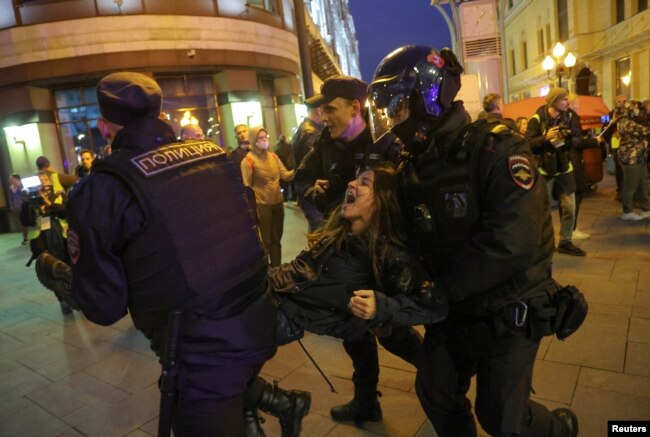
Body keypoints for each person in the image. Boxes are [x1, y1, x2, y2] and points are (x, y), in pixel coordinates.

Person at [34, 72, 309, 437]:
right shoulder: (215, 154)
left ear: (104, 128)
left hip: (202, 350)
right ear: (160, 114)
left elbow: (105, 305)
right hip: (260, 319)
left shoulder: (102, 190)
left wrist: (64, 278)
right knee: (235, 390)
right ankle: (282, 405)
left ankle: (271, 408)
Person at [367, 45, 579, 437]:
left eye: (398, 107)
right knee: (436, 390)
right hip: (455, 307)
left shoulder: (497, 149)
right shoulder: (413, 168)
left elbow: (513, 239)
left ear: (428, 96)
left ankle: (557, 428)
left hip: (508, 304)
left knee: (502, 416)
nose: (393, 120)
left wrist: (442, 291)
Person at [295, 75, 422, 424]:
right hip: (347, 250)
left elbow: (408, 198)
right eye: (320, 109)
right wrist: (321, 200)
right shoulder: (325, 141)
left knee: (390, 330)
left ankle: (442, 376)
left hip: (382, 254)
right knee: (354, 331)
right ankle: (366, 401)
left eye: (329, 108)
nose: (323, 116)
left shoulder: (386, 143)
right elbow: (302, 178)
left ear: (354, 107)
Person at [526, 87, 586, 257]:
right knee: (542, 209)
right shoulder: (537, 118)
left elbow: (574, 140)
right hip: (544, 169)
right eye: (564, 99)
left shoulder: (569, 116)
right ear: (554, 101)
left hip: (564, 167)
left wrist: (567, 138)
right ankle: (543, 243)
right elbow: (528, 144)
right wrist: (546, 138)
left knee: (570, 207)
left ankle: (566, 242)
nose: (568, 102)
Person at [241, 127, 295, 266]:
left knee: (276, 239)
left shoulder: (273, 157)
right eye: (260, 138)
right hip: (262, 205)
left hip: (278, 203)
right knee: (266, 241)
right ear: (253, 140)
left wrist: (300, 167)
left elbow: (285, 175)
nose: (264, 140)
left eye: (266, 137)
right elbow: (246, 187)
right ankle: (265, 272)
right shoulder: (248, 161)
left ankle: (277, 270)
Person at [614, 99, 650, 220]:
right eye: (633, 108)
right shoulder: (626, 123)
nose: (636, 111)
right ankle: (627, 211)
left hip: (639, 156)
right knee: (630, 186)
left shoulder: (629, 121)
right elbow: (645, 130)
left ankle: (646, 209)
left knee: (642, 184)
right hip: (631, 158)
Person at [291, 101, 324, 231]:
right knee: (320, 230)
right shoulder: (310, 132)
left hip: (306, 188)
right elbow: (316, 161)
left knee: (317, 229)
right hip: (311, 188)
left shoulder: (304, 128)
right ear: (318, 111)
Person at [274, 134, 296, 202]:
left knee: (284, 185)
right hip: (290, 166)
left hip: (282, 166)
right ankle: (294, 198)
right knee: (293, 184)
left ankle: (285, 199)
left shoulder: (276, 149)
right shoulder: (290, 146)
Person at [8, 173, 29, 245]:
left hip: (23, 207)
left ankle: (27, 237)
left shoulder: (22, 186)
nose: (10, 180)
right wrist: (11, 207)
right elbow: (10, 198)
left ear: (16, 179)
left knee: (25, 222)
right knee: (21, 223)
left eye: (11, 179)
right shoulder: (10, 188)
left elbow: (26, 197)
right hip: (15, 208)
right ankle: (25, 237)